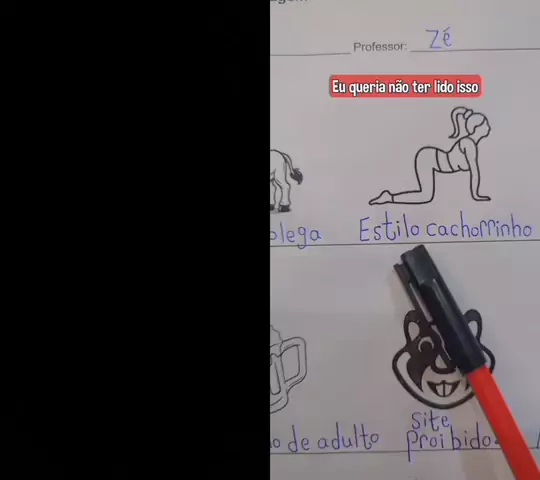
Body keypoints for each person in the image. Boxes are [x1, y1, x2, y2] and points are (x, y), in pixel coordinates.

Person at [369, 106, 492, 205]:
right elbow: (475, 172)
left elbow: (474, 172)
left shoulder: (469, 143)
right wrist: (476, 195)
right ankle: (389, 197)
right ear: (477, 128)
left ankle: (389, 197)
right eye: (485, 124)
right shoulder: (469, 144)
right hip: (429, 158)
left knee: (425, 196)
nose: (488, 127)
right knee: (425, 196)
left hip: (430, 157)